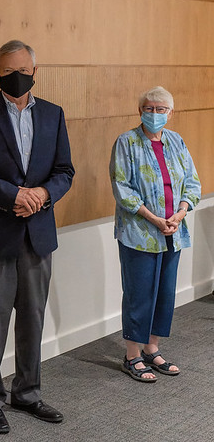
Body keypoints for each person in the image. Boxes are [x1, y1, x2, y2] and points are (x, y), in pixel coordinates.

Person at [0, 40, 74, 434]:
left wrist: (41, 195)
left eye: (22, 69)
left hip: (38, 233)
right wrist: (13, 196)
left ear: (35, 71)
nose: (15, 76)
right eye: (7, 70)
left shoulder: (54, 115)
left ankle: (28, 392)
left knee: (33, 318)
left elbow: (65, 171)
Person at [110, 86, 200, 382]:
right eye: (150, 108)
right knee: (139, 294)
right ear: (140, 111)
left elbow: (191, 182)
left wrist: (181, 212)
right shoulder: (127, 142)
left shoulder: (176, 141)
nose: (155, 114)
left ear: (170, 114)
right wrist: (155, 219)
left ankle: (152, 348)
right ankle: (132, 355)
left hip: (173, 231)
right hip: (140, 232)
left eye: (161, 110)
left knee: (164, 292)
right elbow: (123, 189)